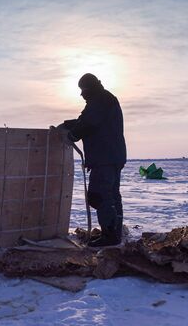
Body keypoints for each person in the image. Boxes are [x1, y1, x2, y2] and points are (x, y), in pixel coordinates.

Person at [61, 73, 127, 247]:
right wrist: (69, 124)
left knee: (101, 195)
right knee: (112, 195)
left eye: (83, 90)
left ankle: (110, 235)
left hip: (104, 157)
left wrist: (72, 135)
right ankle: (114, 233)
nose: (81, 94)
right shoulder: (103, 99)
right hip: (112, 156)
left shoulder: (99, 101)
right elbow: (86, 120)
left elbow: (89, 123)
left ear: (90, 88)